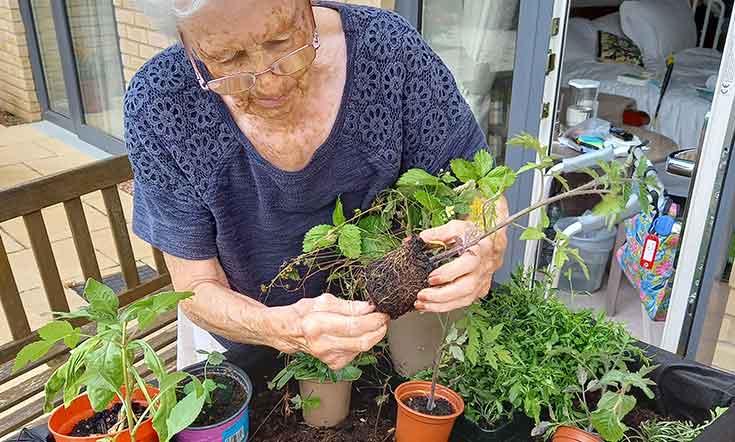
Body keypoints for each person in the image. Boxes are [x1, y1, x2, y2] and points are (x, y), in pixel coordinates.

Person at [126, 0, 509, 381]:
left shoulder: (390, 51)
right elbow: (195, 286)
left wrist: (482, 242)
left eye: (282, 41)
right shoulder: (158, 103)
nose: (270, 82)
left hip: (399, 335)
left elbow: (479, 191)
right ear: (188, 45)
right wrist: (280, 328)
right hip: (247, 347)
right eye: (228, 59)